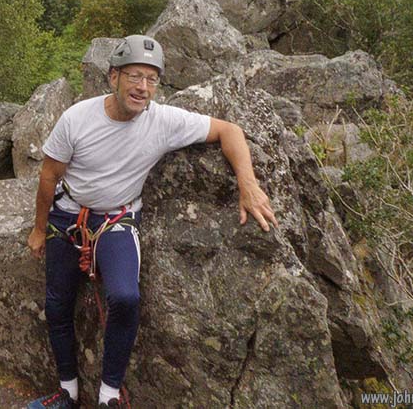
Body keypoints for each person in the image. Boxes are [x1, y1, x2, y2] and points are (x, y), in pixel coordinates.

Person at [25, 35, 279, 408]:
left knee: (125, 297)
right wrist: (38, 227)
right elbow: (48, 176)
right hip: (69, 216)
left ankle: (108, 396)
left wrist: (249, 185)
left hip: (116, 218)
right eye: (134, 76)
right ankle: (67, 392)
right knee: (58, 305)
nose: (143, 87)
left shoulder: (162, 121)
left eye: (151, 79)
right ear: (113, 77)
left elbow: (229, 131)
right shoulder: (77, 119)